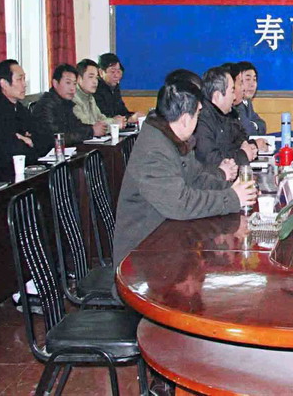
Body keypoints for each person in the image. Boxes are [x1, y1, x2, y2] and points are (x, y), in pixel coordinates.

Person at [112, 77, 258, 267]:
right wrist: (231, 198)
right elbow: (180, 203)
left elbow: (197, 178)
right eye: (198, 114)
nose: (199, 120)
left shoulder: (173, 137)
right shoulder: (154, 152)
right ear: (185, 119)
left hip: (168, 239)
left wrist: (232, 189)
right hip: (141, 258)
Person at [0, 60, 49, 179]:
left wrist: (29, 141)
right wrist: (27, 141)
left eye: (24, 79)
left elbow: (45, 138)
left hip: (16, 171)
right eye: (19, 79)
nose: (24, 84)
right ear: (4, 84)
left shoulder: (19, 108)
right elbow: (14, 151)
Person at [195, 67, 258, 168]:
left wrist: (249, 146)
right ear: (217, 96)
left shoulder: (224, 115)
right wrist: (243, 155)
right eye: (232, 91)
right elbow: (211, 160)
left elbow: (237, 141)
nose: (234, 97)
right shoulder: (202, 121)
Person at [34, 64, 107, 146]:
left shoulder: (66, 102)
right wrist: (92, 131)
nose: (72, 88)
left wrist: (93, 128)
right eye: (68, 83)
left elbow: (77, 126)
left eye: (74, 84)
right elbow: (57, 137)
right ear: (55, 83)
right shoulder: (46, 105)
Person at [72, 59, 126, 128]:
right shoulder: (73, 98)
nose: (95, 81)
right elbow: (88, 126)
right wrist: (114, 122)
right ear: (79, 78)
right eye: (91, 77)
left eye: (96, 77)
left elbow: (101, 118)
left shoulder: (90, 97)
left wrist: (115, 121)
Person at [94, 53, 143, 122]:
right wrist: (128, 119)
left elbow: (122, 111)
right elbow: (104, 117)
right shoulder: (95, 89)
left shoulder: (115, 87)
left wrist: (133, 115)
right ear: (101, 72)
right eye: (112, 72)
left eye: (118, 71)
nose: (116, 75)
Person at [233, 61, 267, 135]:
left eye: (254, 80)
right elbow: (247, 130)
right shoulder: (235, 104)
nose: (252, 84)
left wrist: (253, 125)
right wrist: (253, 125)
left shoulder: (247, 102)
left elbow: (262, 125)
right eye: (248, 79)